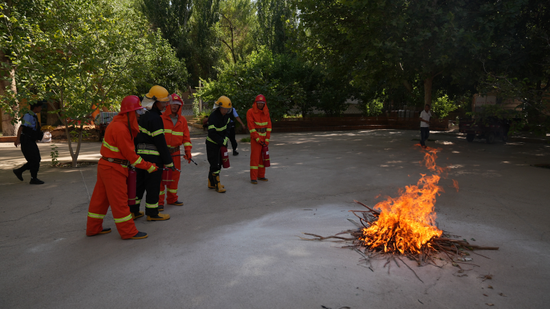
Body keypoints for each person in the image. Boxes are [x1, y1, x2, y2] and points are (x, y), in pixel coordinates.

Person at [86, 95, 157, 240]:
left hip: (107, 166)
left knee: (100, 200)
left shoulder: (117, 124)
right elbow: (132, 157)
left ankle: (93, 228)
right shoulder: (121, 129)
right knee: (120, 202)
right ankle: (128, 231)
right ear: (130, 113)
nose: (139, 116)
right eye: (137, 112)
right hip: (114, 168)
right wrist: (149, 167)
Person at [131, 85, 174, 221]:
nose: (166, 105)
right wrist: (168, 161)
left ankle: (134, 211)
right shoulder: (156, 119)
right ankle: (152, 213)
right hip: (153, 159)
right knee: (153, 186)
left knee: (139, 185)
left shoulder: (143, 116)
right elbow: (160, 142)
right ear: (155, 102)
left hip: (140, 158)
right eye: (164, 102)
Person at [159, 93, 192, 208]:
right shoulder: (161, 118)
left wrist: (188, 151)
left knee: (174, 176)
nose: (175, 106)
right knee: (161, 177)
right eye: (173, 103)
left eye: (177, 104)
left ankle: (172, 199)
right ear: (168, 104)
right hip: (162, 153)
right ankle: (159, 203)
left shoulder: (182, 120)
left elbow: (186, 138)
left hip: (176, 153)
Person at [13, 101, 45, 184]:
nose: (41, 109)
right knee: (34, 159)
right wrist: (18, 139)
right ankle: (33, 178)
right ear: (36, 107)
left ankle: (19, 171)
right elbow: (22, 127)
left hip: (30, 140)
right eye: (40, 107)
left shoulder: (33, 115)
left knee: (36, 159)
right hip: (26, 140)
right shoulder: (28, 115)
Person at [206, 96, 232, 193]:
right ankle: (217, 185)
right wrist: (222, 141)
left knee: (219, 163)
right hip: (212, 144)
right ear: (219, 107)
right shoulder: (213, 117)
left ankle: (211, 183)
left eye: (227, 109)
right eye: (224, 109)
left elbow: (228, 128)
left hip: (221, 143)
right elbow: (211, 133)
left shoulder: (226, 117)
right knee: (215, 164)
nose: (226, 111)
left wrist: (225, 138)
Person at [246, 94, 272, 184]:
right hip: (256, 139)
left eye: (262, 103)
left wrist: (267, 139)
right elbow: (251, 127)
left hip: (264, 138)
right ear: (255, 103)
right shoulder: (250, 112)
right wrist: (257, 139)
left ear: (264, 103)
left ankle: (261, 175)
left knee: (263, 158)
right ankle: (253, 177)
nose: (260, 104)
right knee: (255, 158)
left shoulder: (266, 112)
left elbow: (269, 126)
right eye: (259, 103)